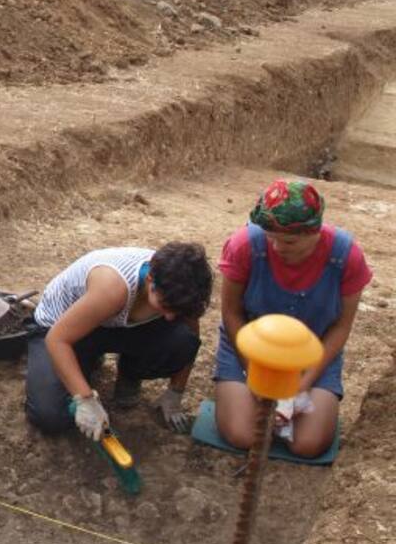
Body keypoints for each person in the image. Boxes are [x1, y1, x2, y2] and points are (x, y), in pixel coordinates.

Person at [213, 179, 372, 458]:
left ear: (315, 232)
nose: (276, 247)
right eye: (269, 237)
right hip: (249, 350)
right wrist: (256, 376)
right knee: (244, 435)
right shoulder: (245, 246)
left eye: (288, 241)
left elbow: (341, 327)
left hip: (312, 354)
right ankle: (237, 393)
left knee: (307, 444)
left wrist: (302, 383)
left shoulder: (345, 257)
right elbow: (232, 313)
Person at [25, 242, 212, 440]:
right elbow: (57, 339)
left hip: (112, 324)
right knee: (51, 416)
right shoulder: (112, 288)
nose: (170, 317)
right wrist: (85, 400)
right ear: (150, 280)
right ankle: (86, 357)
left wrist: (176, 392)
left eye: (177, 309)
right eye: (165, 305)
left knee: (181, 340)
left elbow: (190, 336)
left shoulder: (184, 291)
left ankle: (130, 373)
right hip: (61, 328)